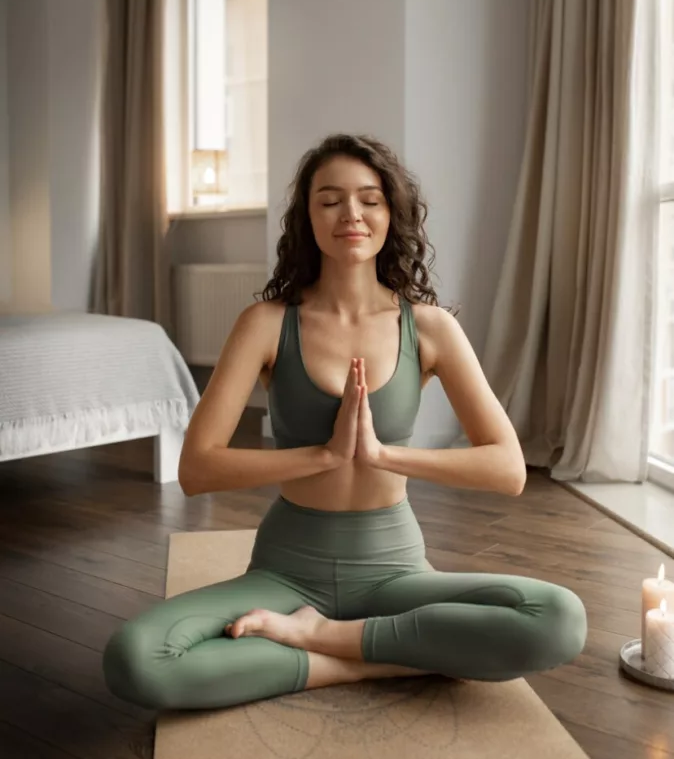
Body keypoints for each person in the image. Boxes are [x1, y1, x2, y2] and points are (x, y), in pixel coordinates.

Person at [102, 133, 587, 711]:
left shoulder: (430, 328)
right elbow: (197, 469)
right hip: (285, 571)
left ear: (391, 213)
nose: (350, 214)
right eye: (329, 200)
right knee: (135, 659)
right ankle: (368, 663)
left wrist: (381, 454)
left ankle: (326, 644)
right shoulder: (265, 323)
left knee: (559, 618)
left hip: (394, 572)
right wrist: (326, 455)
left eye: (369, 199)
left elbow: (508, 469)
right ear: (307, 218)